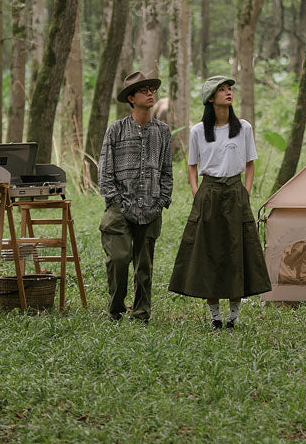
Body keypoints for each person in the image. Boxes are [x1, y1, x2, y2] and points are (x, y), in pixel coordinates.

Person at [169, 75, 271, 329]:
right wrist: (196, 192)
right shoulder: (197, 131)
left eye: (229, 89)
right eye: (222, 90)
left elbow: (250, 164)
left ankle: (233, 315)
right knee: (208, 250)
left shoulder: (243, 128)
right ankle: (215, 315)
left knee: (237, 248)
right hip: (209, 191)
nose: (228, 93)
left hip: (235, 191)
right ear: (211, 98)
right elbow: (191, 166)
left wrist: (245, 191)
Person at [98, 70, 173, 322]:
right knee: (118, 260)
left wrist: (162, 199)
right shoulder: (116, 129)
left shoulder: (162, 131)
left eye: (152, 89)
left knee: (145, 266)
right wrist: (115, 199)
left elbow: (166, 170)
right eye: (144, 90)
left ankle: (142, 312)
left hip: (151, 207)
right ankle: (115, 309)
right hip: (121, 206)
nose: (150, 93)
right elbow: (105, 169)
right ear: (131, 98)